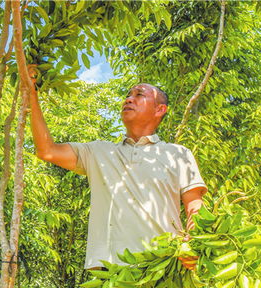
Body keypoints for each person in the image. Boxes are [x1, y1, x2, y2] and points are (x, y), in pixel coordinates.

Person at [28, 78, 207, 271]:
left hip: (164, 266)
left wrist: (193, 241)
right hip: (108, 270)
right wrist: (31, 94)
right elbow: (46, 150)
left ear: (159, 110)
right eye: (128, 95)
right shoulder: (98, 152)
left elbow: (194, 203)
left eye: (139, 95)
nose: (129, 99)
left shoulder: (178, 153)